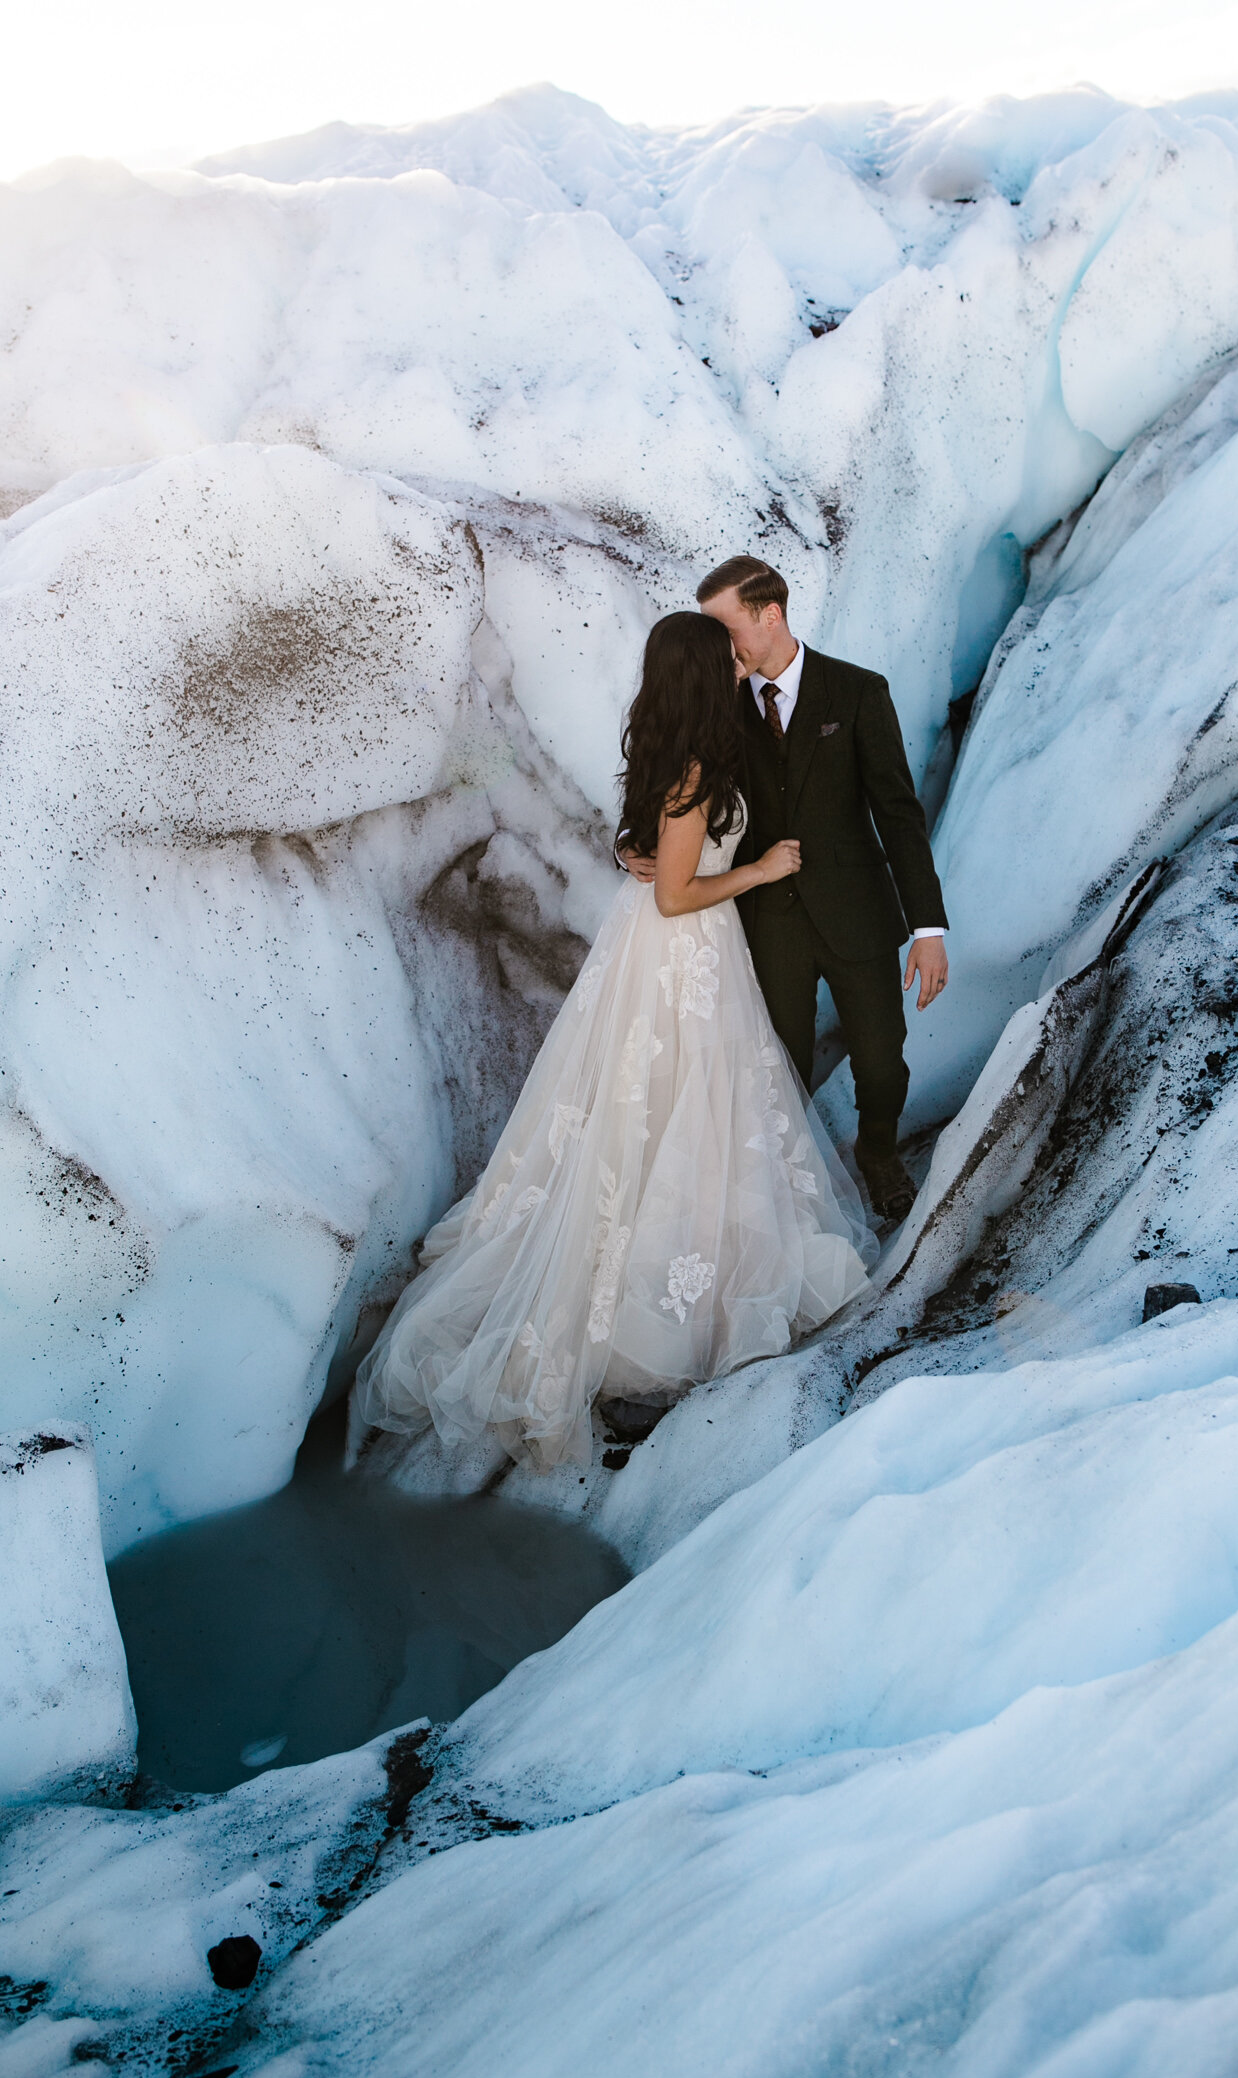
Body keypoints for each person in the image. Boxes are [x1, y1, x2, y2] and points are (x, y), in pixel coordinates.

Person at [349, 609, 876, 1495]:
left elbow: (652, 856)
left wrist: (656, 850)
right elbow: (674, 894)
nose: (743, 662)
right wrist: (762, 869)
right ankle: (653, 1305)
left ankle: (690, 1260)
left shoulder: (686, 752)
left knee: (681, 1101)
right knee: (675, 1097)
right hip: (681, 945)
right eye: (728, 658)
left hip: (683, 951)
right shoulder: (696, 767)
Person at [633, 556, 948, 1226]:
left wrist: (928, 929)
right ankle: (778, 1181)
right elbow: (667, 787)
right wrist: (634, 849)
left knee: (881, 1058)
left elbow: (897, 812)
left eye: (725, 627)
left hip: (856, 911)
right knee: (775, 1062)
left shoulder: (858, 691)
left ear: (768, 614)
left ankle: (879, 1155)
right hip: (761, 918)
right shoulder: (716, 702)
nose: (719, 645)